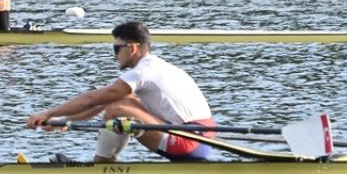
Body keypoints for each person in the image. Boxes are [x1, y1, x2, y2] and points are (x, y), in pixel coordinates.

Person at [26, 21, 215, 163]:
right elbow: (100, 100)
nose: (114, 54)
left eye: (116, 47)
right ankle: (104, 165)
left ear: (132, 48)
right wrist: (63, 122)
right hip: (203, 140)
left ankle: (101, 166)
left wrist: (48, 113)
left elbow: (93, 98)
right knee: (118, 102)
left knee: (116, 109)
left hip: (188, 142)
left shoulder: (144, 72)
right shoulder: (156, 67)